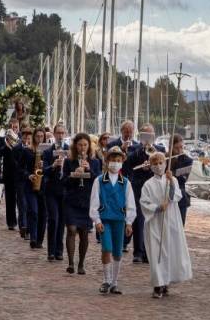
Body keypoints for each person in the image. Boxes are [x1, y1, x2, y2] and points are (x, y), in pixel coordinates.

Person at [139, 152, 192, 298]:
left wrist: (172, 183)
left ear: (165, 163)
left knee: (169, 250)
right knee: (157, 253)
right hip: (155, 221)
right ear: (151, 166)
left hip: (171, 219)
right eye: (155, 163)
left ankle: (166, 281)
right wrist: (156, 207)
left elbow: (174, 197)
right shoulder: (148, 184)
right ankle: (157, 284)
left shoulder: (171, 179)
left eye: (161, 162)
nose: (158, 166)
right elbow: (144, 202)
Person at [89, 146, 135, 295]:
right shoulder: (99, 180)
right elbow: (94, 202)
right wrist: (97, 220)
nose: (115, 163)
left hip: (119, 220)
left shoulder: (126, 182)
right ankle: (106, 280)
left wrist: (129, 222)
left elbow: (130, 203)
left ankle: (115, 282)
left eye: (118, 160)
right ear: (107, 161)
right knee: (106, 248)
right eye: (113, 160)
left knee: (117, 251)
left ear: (122, 162)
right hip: (105, 219)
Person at [124, 123, 165, 263]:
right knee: (139, 220)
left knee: (153, 221)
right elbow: (127, 165)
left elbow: (163, 167)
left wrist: (153, 164)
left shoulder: (160, 149)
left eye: (150, 134)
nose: (148, 138)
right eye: (145, 134)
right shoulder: (134, 149)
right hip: (139, 188)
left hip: (155, 189)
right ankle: (138, 252)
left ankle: (150, 253)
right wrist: (140, 151)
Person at [62, 132, 102, 274]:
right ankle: (71, 263)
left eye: (85, 145)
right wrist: (74, 174)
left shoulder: (95, 162)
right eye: (80, 145)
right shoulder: (68, 161)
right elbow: (64, 182)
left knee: (84, 233)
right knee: (71, 229)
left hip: (86, 200)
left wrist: (89, 170)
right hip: (72, 200)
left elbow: (99, 180)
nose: (82, 148)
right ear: (75, 146)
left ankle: (81, 264)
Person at [42, 123, 68, 261]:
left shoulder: (69, 151)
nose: (60, 136)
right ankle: (51, 251)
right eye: (58, 133)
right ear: (54, 134)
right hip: (51, 189)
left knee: (62, 221)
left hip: (64, 190)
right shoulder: (47, 152)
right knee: (53, 219)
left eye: (63, 133)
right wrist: (53, 165)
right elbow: (43, 170)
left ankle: (59, 250)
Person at [19, 127, 47, 248]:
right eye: (37, 136)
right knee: (34, 211)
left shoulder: (47, 151)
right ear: (34, 137)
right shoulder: (27, 151)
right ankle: (33, 239)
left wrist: (45, 165)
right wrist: (28, 175)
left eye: (42, 136)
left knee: (43, 214)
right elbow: (20, 168)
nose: (39, 139)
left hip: (44, 186)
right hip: (30, 185)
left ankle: (40, 240)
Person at [0, 117, 22, 231]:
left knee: (21, 198)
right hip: (9, 173)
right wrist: (6, 145)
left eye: (16, 127)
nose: (15, 129)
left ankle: (22, 221)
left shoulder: (21, 139)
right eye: (13, 127)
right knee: (10, 199)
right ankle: (11, 222)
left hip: (20, 173)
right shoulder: (4, 139)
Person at [167, 134, 194, 224]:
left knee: (180, 227)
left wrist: (172, 174)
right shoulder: (165, 158)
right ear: (170, 147)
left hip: (180, 198)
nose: (179, 151)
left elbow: (182, 179)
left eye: (181, 147)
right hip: (165, 197)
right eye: (176, 148)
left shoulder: (187, 160)